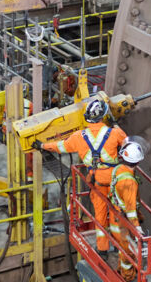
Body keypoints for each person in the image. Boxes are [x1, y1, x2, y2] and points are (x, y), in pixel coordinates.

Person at [37, 95, 128, 251]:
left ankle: (102, 249)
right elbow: (127, 142)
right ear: (104, 115)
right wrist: (115, 125)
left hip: (96, 179)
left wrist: (42, 145)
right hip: (114, 177)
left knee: (99, 215)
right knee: (117, 212)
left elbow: (60, 146)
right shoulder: (114, 134)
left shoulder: (78, 137)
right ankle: (121, 247)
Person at [107, 139, 146, 282]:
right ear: (138, 162)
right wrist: (137, 228)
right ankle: (128, 278)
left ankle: (122, 269)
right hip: (125, 219)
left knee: (123, 245)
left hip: (117, 212)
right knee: (129, 251)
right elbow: (130, 210)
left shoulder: (118, 169)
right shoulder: (129, 182)